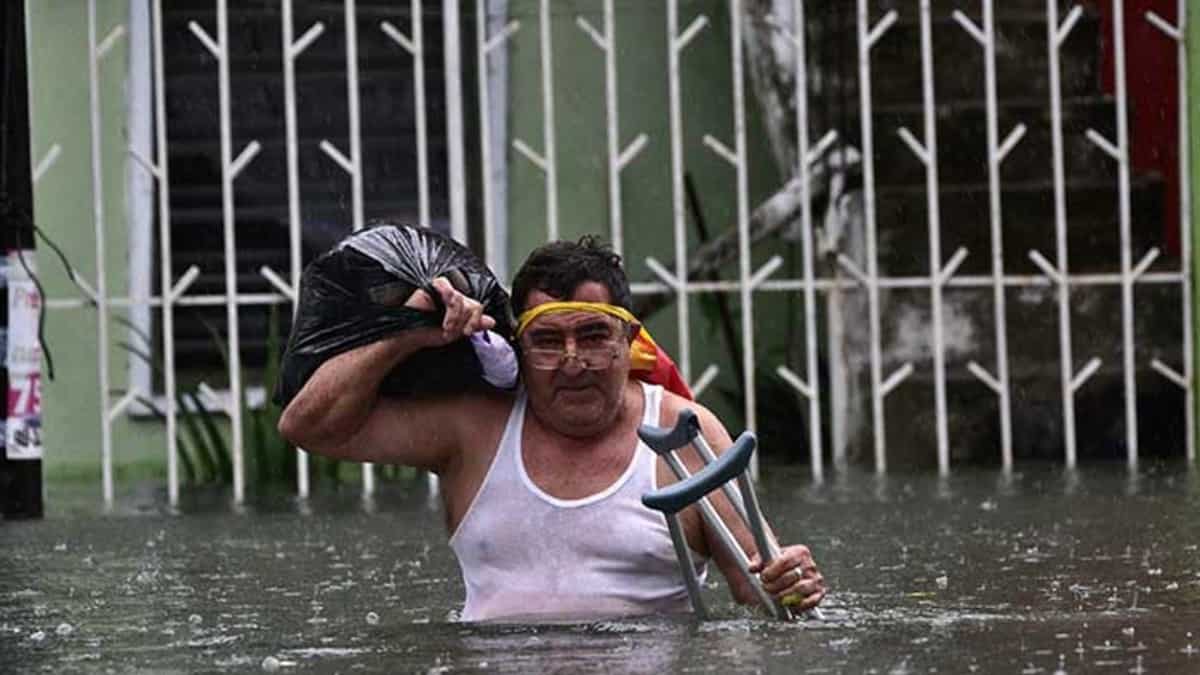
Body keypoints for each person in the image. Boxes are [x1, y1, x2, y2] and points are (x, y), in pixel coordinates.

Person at [278, 236, 826, 622]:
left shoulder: (682, 430)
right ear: (517, 348)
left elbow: (759, 585)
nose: (572, 361)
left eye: (592, 337)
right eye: (547, 342)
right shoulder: (474, 428)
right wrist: (417, 332)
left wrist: (790, 585)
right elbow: (309, 427)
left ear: (629, 341)